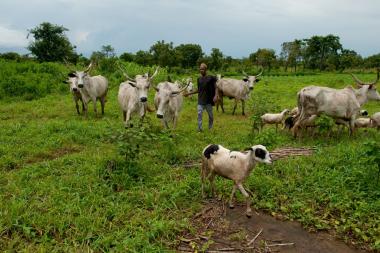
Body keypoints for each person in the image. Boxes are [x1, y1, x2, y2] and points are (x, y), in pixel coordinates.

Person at [185, 63, 218, 132]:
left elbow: (216, 87)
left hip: (209, 101)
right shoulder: (199, 79)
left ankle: (210, 128)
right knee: (199, 114)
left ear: (206, 69)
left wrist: (215, 95)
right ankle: (200, 128)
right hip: (201, 100)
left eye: (202, 69)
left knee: (211, 116)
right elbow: (198, 90)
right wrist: (189, 93)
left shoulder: (211, 78)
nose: (201, 70)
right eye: (200, 69)